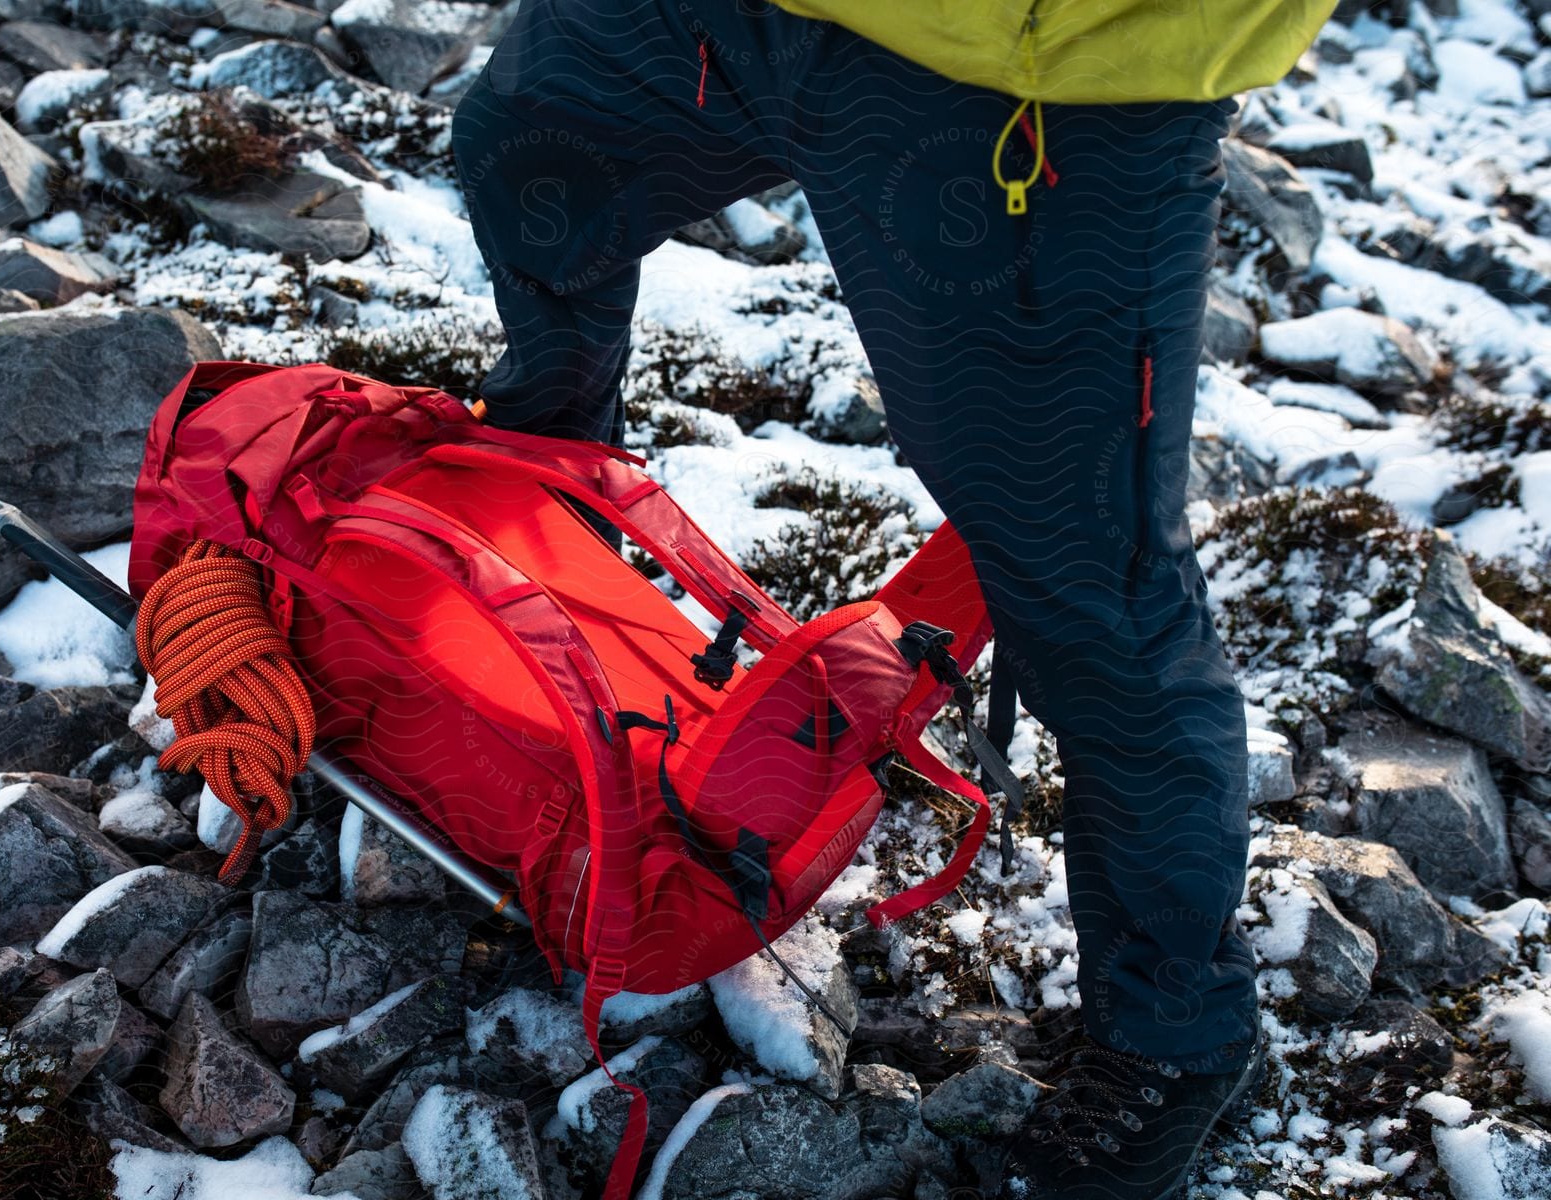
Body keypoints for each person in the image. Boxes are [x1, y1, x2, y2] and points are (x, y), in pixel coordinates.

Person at [450, 3, 1335, 1197]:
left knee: (1088, 584)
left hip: (1026, 72)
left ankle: (1174, 1035)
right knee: (529, 144)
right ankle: (531, 592)